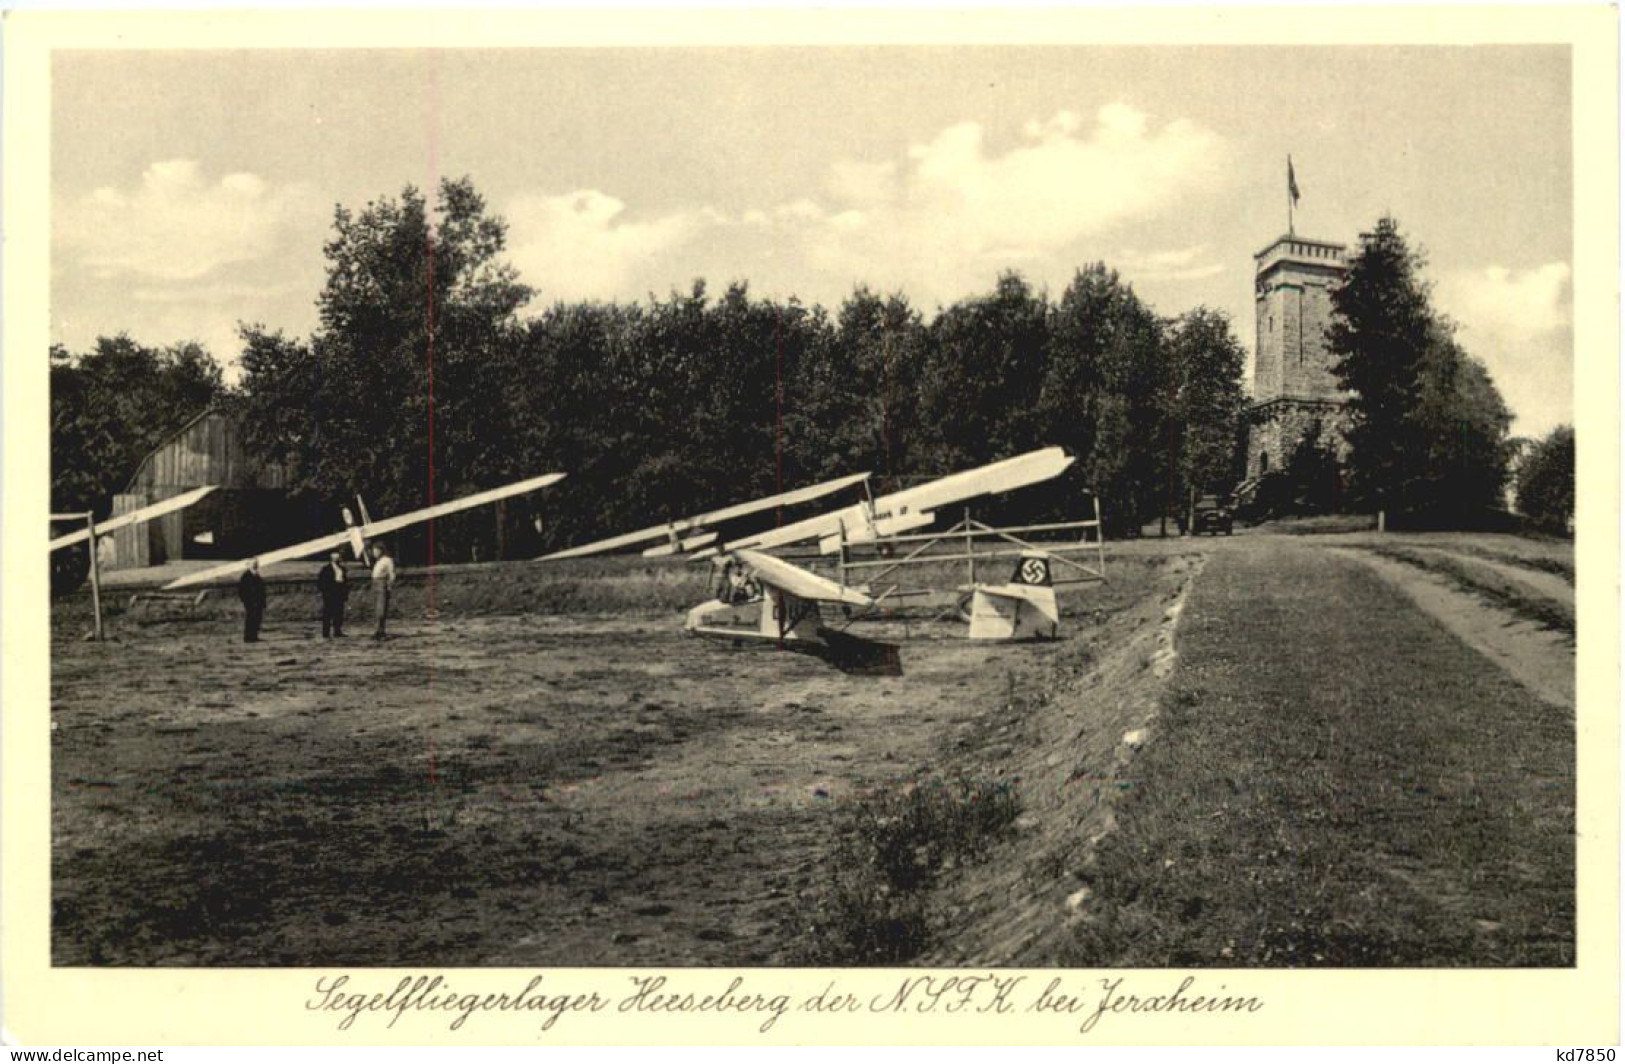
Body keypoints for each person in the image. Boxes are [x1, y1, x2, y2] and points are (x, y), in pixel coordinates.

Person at [316, 551, 349, 638]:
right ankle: (325, 632)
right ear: (332, 559)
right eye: (335, 558)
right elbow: (321, 581)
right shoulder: (326, 569)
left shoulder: (342, 569)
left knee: (339, 612)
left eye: (338, 558)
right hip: (330, 593)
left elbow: (345, 581)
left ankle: (337, 630)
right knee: (328, 612)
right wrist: (323, 592)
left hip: (339, 592)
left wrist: (345, 593)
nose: (338, 559)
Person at [369, 542, 397, 640]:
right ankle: (377, 630)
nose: (374, 553)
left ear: (381, 550)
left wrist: (389, 586)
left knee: (381, 608)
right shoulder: (378, 561)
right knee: (376, 609)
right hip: (375, 583)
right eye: (373, 551)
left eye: (376, 551)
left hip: (382, 584)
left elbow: (392, 574)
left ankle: (381, 631)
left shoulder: (387, 560)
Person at [238, 558, 267, 643]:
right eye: (253, 564)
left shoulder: (257, 575)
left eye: (256, 563)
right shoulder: (246, 576)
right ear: (248, 565)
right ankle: (248, 637)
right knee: (251, 619)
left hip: (258, 602)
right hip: (250, 602)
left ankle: (254, 636)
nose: (255, 565)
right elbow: (242, 591)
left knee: (257, 619)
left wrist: (263, 601)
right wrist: (247, 601)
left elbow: (262, 590)